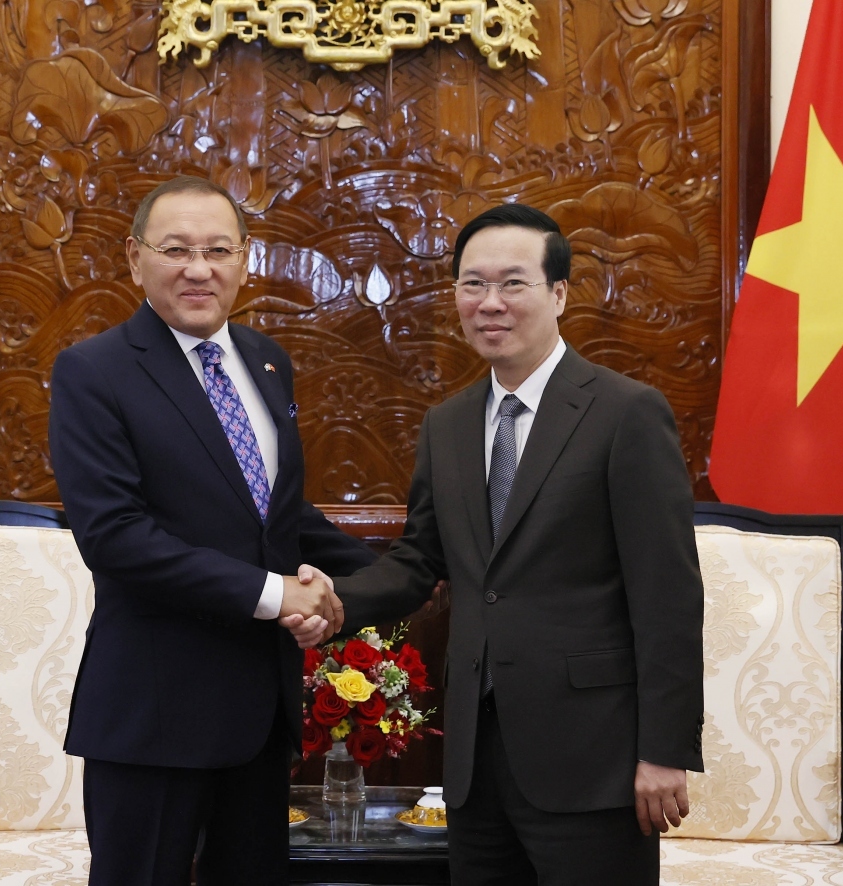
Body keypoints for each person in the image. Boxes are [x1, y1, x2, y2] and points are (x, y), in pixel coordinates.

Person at [311, 204, 705, 885]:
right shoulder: (448, 423)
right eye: (472, 284)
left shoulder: (625, 413)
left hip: (594, 758)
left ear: (558, 293)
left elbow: (668, 594)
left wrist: (664, 751)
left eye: (513, 283)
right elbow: (419, 562)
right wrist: (328, 600)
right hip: (475, 758)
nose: (489, 303)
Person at [49, 175, 376, 886]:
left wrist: (403, 570)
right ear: (135, 260)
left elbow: (276, 515)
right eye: (176, 249)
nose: (199, 268)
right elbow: (115, 536)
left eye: (218, 249)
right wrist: (274, 593)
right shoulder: (93, 372)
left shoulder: (266, 362)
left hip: (258, 715)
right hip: (153, 717)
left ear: (244, 259)